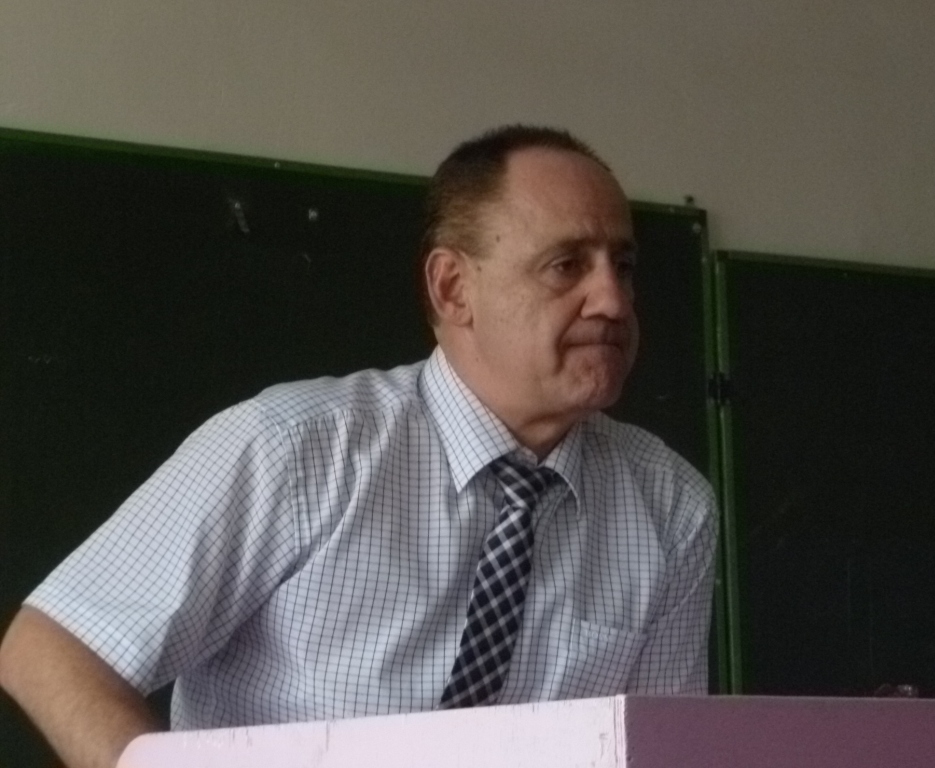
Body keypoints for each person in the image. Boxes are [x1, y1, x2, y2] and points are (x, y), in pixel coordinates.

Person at [0, 125, 717, 768]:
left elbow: (655, 754)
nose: (613, 301)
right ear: (453, 288)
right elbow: (51, 648)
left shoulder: (671, 506)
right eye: (566, 266)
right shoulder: (295, 448)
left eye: (623, 266)